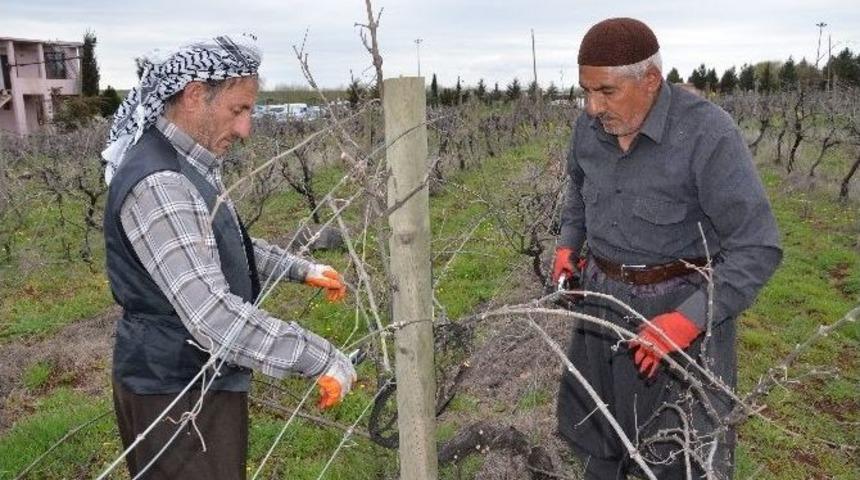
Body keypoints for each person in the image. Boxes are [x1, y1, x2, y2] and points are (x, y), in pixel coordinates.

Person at [102, 34, 356, 479]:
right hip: (176, 394)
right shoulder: (161, 184)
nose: (245, 129)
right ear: (196, 95)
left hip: (192, 379)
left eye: (250, 111)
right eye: (238, 110)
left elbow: (218, 243)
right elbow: (213, 317)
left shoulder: (186, 166)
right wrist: (321, 357)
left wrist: (302, 269)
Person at [552, 18, 782, 479]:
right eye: (585, 91)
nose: (592, 106)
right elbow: (578, 189)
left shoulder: (707, 135)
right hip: (601, 308)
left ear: (651, 80)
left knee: (677, 454)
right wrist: (568, 243)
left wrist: (688, 319)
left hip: (677, 320)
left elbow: (757, 246)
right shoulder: (588, 129)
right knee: (600, 439)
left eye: (606, 91)